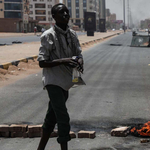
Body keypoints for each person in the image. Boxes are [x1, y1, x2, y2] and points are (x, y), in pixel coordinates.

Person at [37, 3, 84, 150]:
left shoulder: (72, 34)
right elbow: (42, 62)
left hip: (66, 81)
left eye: (66, 12)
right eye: (61, 13)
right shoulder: (48, 35)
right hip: (53, 81)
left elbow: (78, 53)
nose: (65, 15)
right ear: (54, 16)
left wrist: (79, 61)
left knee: (51, 118)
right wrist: (64, 60)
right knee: (63, 117)